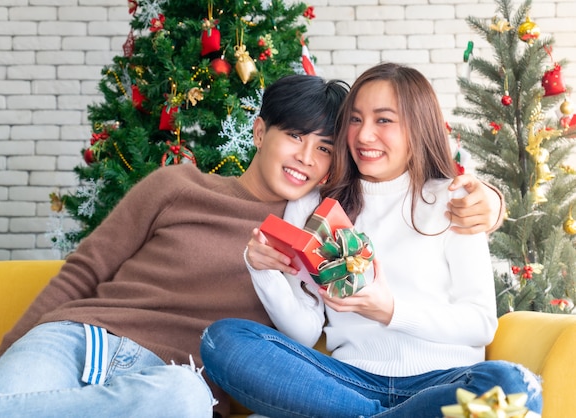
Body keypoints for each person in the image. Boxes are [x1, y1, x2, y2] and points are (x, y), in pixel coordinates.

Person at [0, 74, 501, 418]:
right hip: (77, 339)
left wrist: (491, 201)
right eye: (293, 136)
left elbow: (306, 328)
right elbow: (81, 273)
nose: (307, 157)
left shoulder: (317, 223)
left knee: (186, 400)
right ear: (260, 132)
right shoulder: (176, 185)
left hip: (170, 381)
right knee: (0, 407)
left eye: (326, 147)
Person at [200, 63, 542, 418]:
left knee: (514, 383)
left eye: (383, 120)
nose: (363, 136)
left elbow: (480, 323)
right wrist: (262, 270)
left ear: (416, 127)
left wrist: (390, 310)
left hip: (442, 382)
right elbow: (305, 331)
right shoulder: (313, 204)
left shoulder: (455, 199)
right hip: (349, 381)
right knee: (222, 339)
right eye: (355, 119)